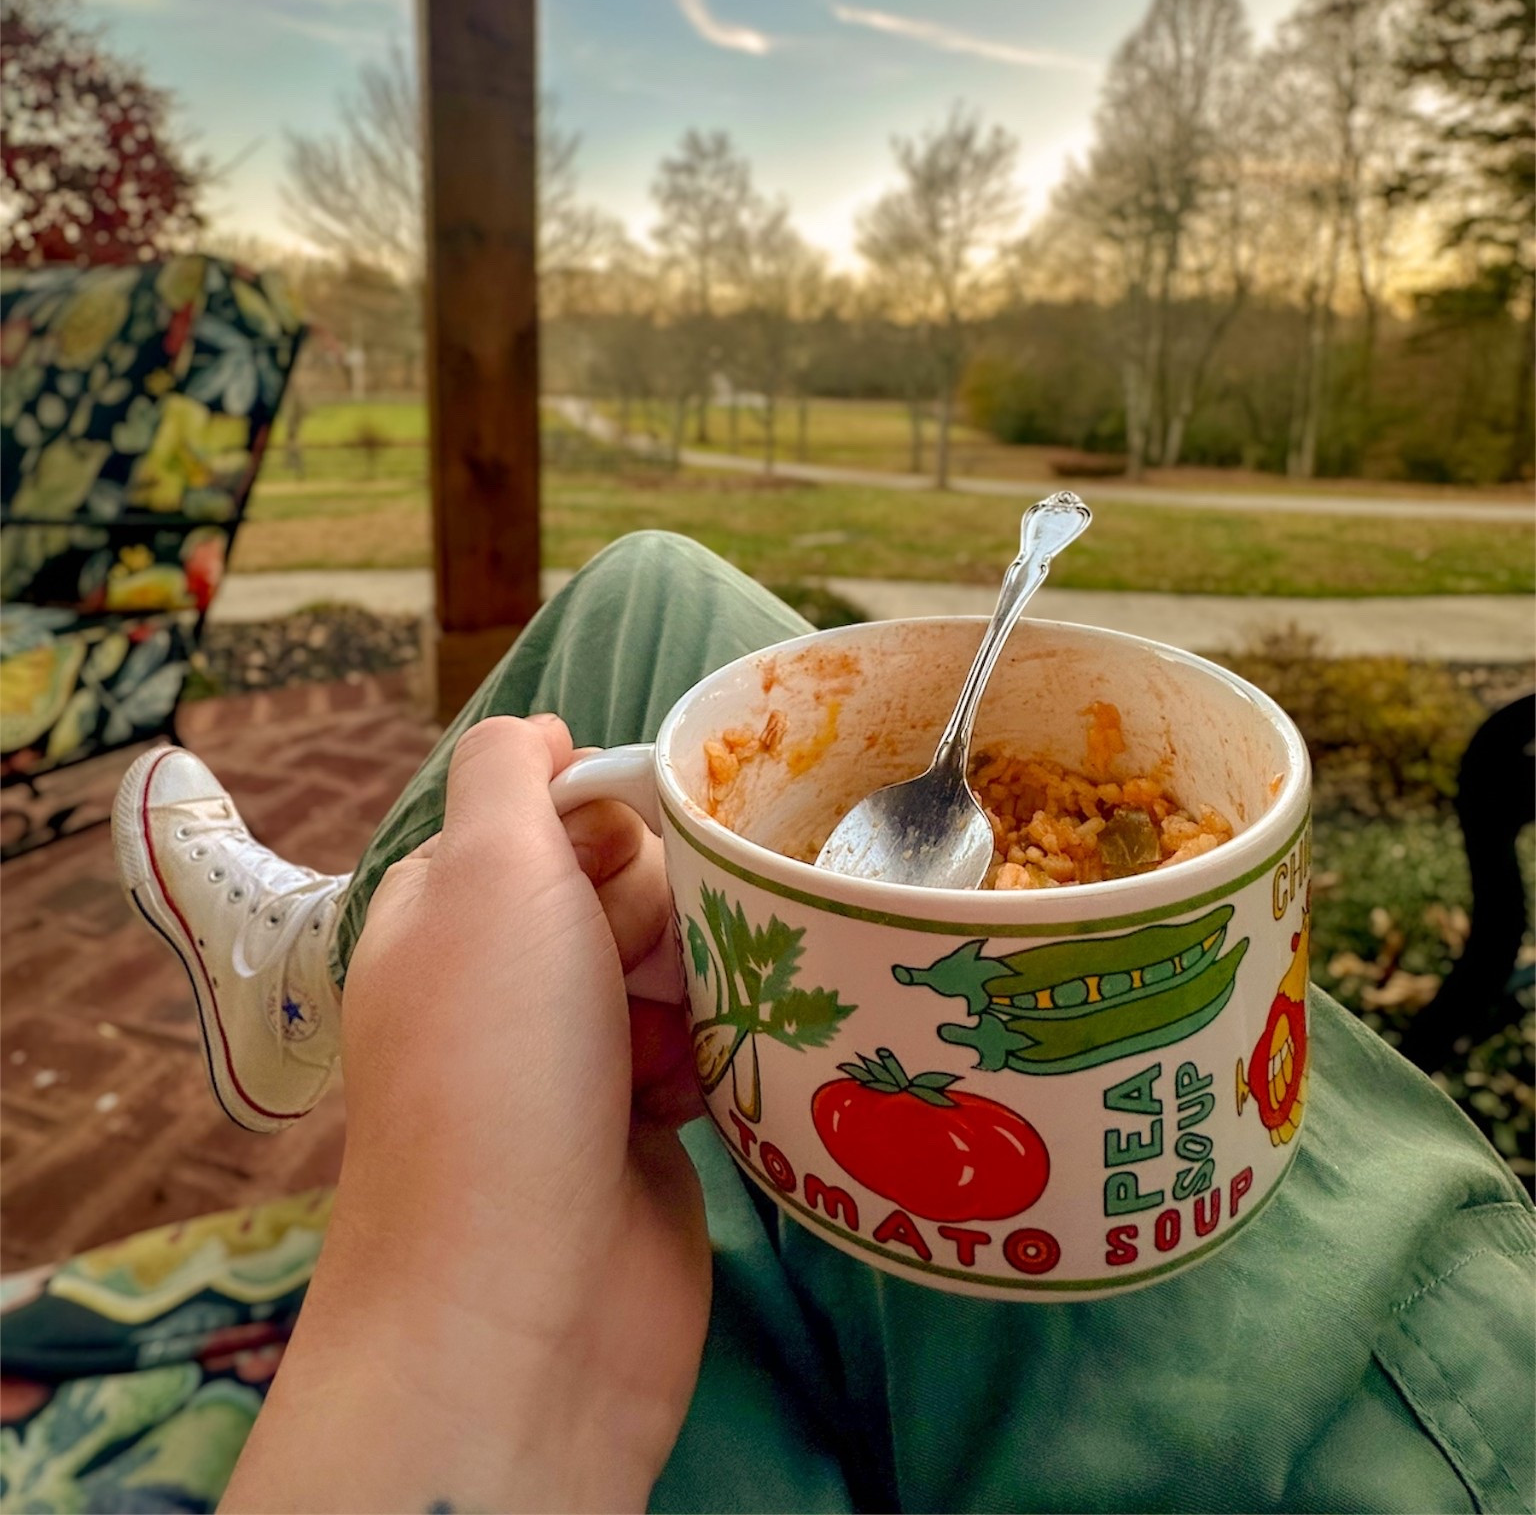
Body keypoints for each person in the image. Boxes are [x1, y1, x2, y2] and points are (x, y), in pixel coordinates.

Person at [114, 532, 1535, 1514]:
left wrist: (452, 1317)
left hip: (1398, 1428)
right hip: (1433, 1353)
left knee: (643, 604)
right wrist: (493, 1354)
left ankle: (326, 972)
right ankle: (340, 965)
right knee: (654, 622)